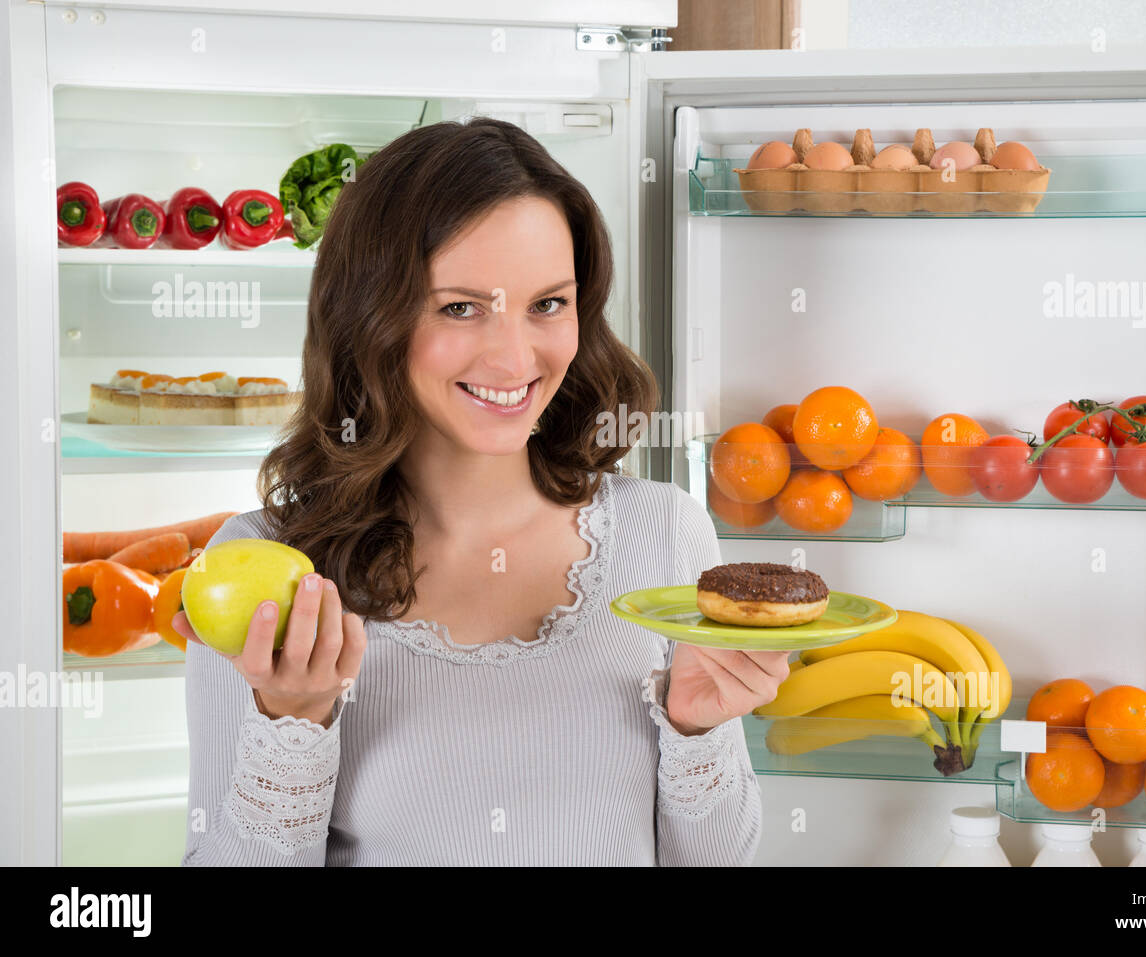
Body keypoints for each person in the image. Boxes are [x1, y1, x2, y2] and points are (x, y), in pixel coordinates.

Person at [177, 117, 789, 866]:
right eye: (460, 307)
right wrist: (291, 723)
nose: (514, 356)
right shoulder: (267, 572)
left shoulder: (664, 534)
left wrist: (697, 730)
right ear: (370, 317)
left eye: (548, 304)